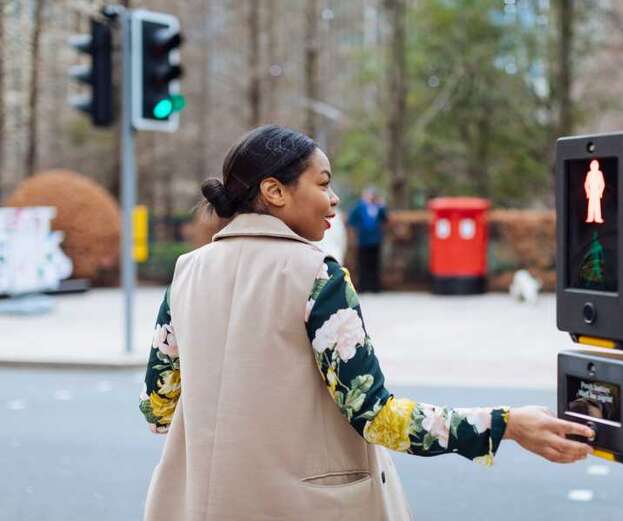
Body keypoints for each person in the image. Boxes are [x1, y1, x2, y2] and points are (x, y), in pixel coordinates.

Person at [139, 125, 594, 521]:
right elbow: (375, 417)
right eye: (322, 183)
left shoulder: (186, 272)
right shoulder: (318, 275)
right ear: (274, 191)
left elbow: (158, 410)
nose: (334, 198)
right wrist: (505, 424)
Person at [347, 186, 388, 292]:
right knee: (362, 263)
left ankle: (375, 287)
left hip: (375, 239)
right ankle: (363, 286)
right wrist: (355, 231)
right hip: (363, 239)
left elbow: (385, 219)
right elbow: (351, 219)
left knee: (374, 264)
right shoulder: (359, 207)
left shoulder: (378, 207)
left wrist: (383, 206)